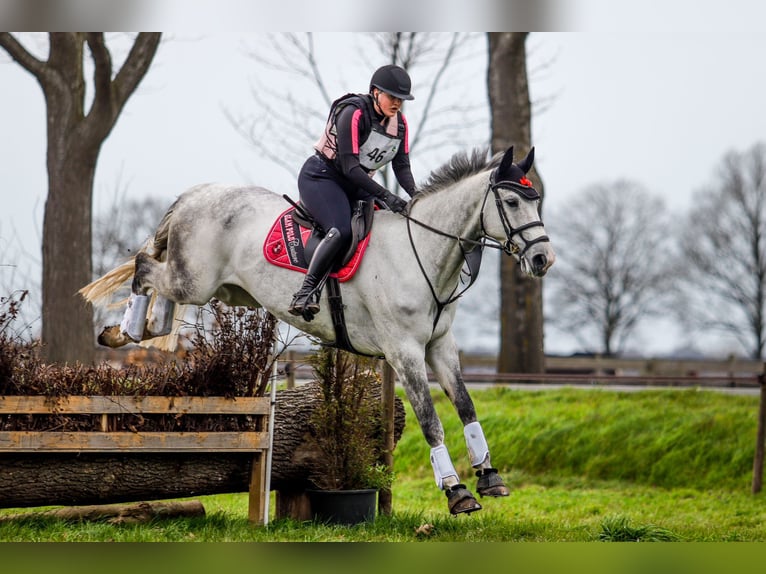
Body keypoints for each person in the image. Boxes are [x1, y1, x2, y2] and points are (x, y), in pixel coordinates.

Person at [288, 64, 419, 321]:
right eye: (392, 97)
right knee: (341, 231)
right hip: (322, 176)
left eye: (401, 99)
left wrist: (417, 196)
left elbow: (401, 166)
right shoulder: (353, 112)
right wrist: (386, 196)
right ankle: (306, 292)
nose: (397, 104)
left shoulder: (400, 124)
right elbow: (350, 168)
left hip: (357, 183)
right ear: (375, 92)